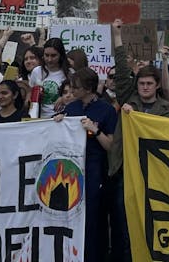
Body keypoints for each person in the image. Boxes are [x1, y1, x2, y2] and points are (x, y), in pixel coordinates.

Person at [107, 18, 169, 262]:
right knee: (124, 224)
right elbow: (119, 69)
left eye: (149, 84)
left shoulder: (168, 109)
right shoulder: (129, 97)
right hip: (125, 173)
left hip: (155, 175)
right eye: (141, 83)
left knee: (154, 223)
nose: (144, 88)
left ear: (157, 85)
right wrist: (117, 36)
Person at [62, 66, 117, 262]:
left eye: (75, 87)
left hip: (94, 171)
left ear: (87, 88)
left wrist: (94, 130)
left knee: (92, 219)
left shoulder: (107, 110)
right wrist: (57, 121)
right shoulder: (71, 108)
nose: (72, 91)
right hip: (70, 170)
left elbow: (110, 146)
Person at [28, 38, 70, 118]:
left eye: (53, 56)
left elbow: (76, 96)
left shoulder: (69, 73)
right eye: (46, 55)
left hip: (61, 118)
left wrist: (63, 98)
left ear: (61, 55)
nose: (49, 59)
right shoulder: (37, 71)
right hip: (39, 117)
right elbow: (30, 91)